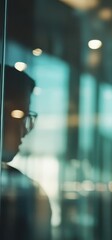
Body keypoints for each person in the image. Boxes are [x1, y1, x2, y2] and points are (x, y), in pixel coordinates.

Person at [0, 65, 52, 240]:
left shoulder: (29, 193)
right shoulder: (29, 193)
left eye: (26, 116)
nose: (24, 130)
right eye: (17, 114)